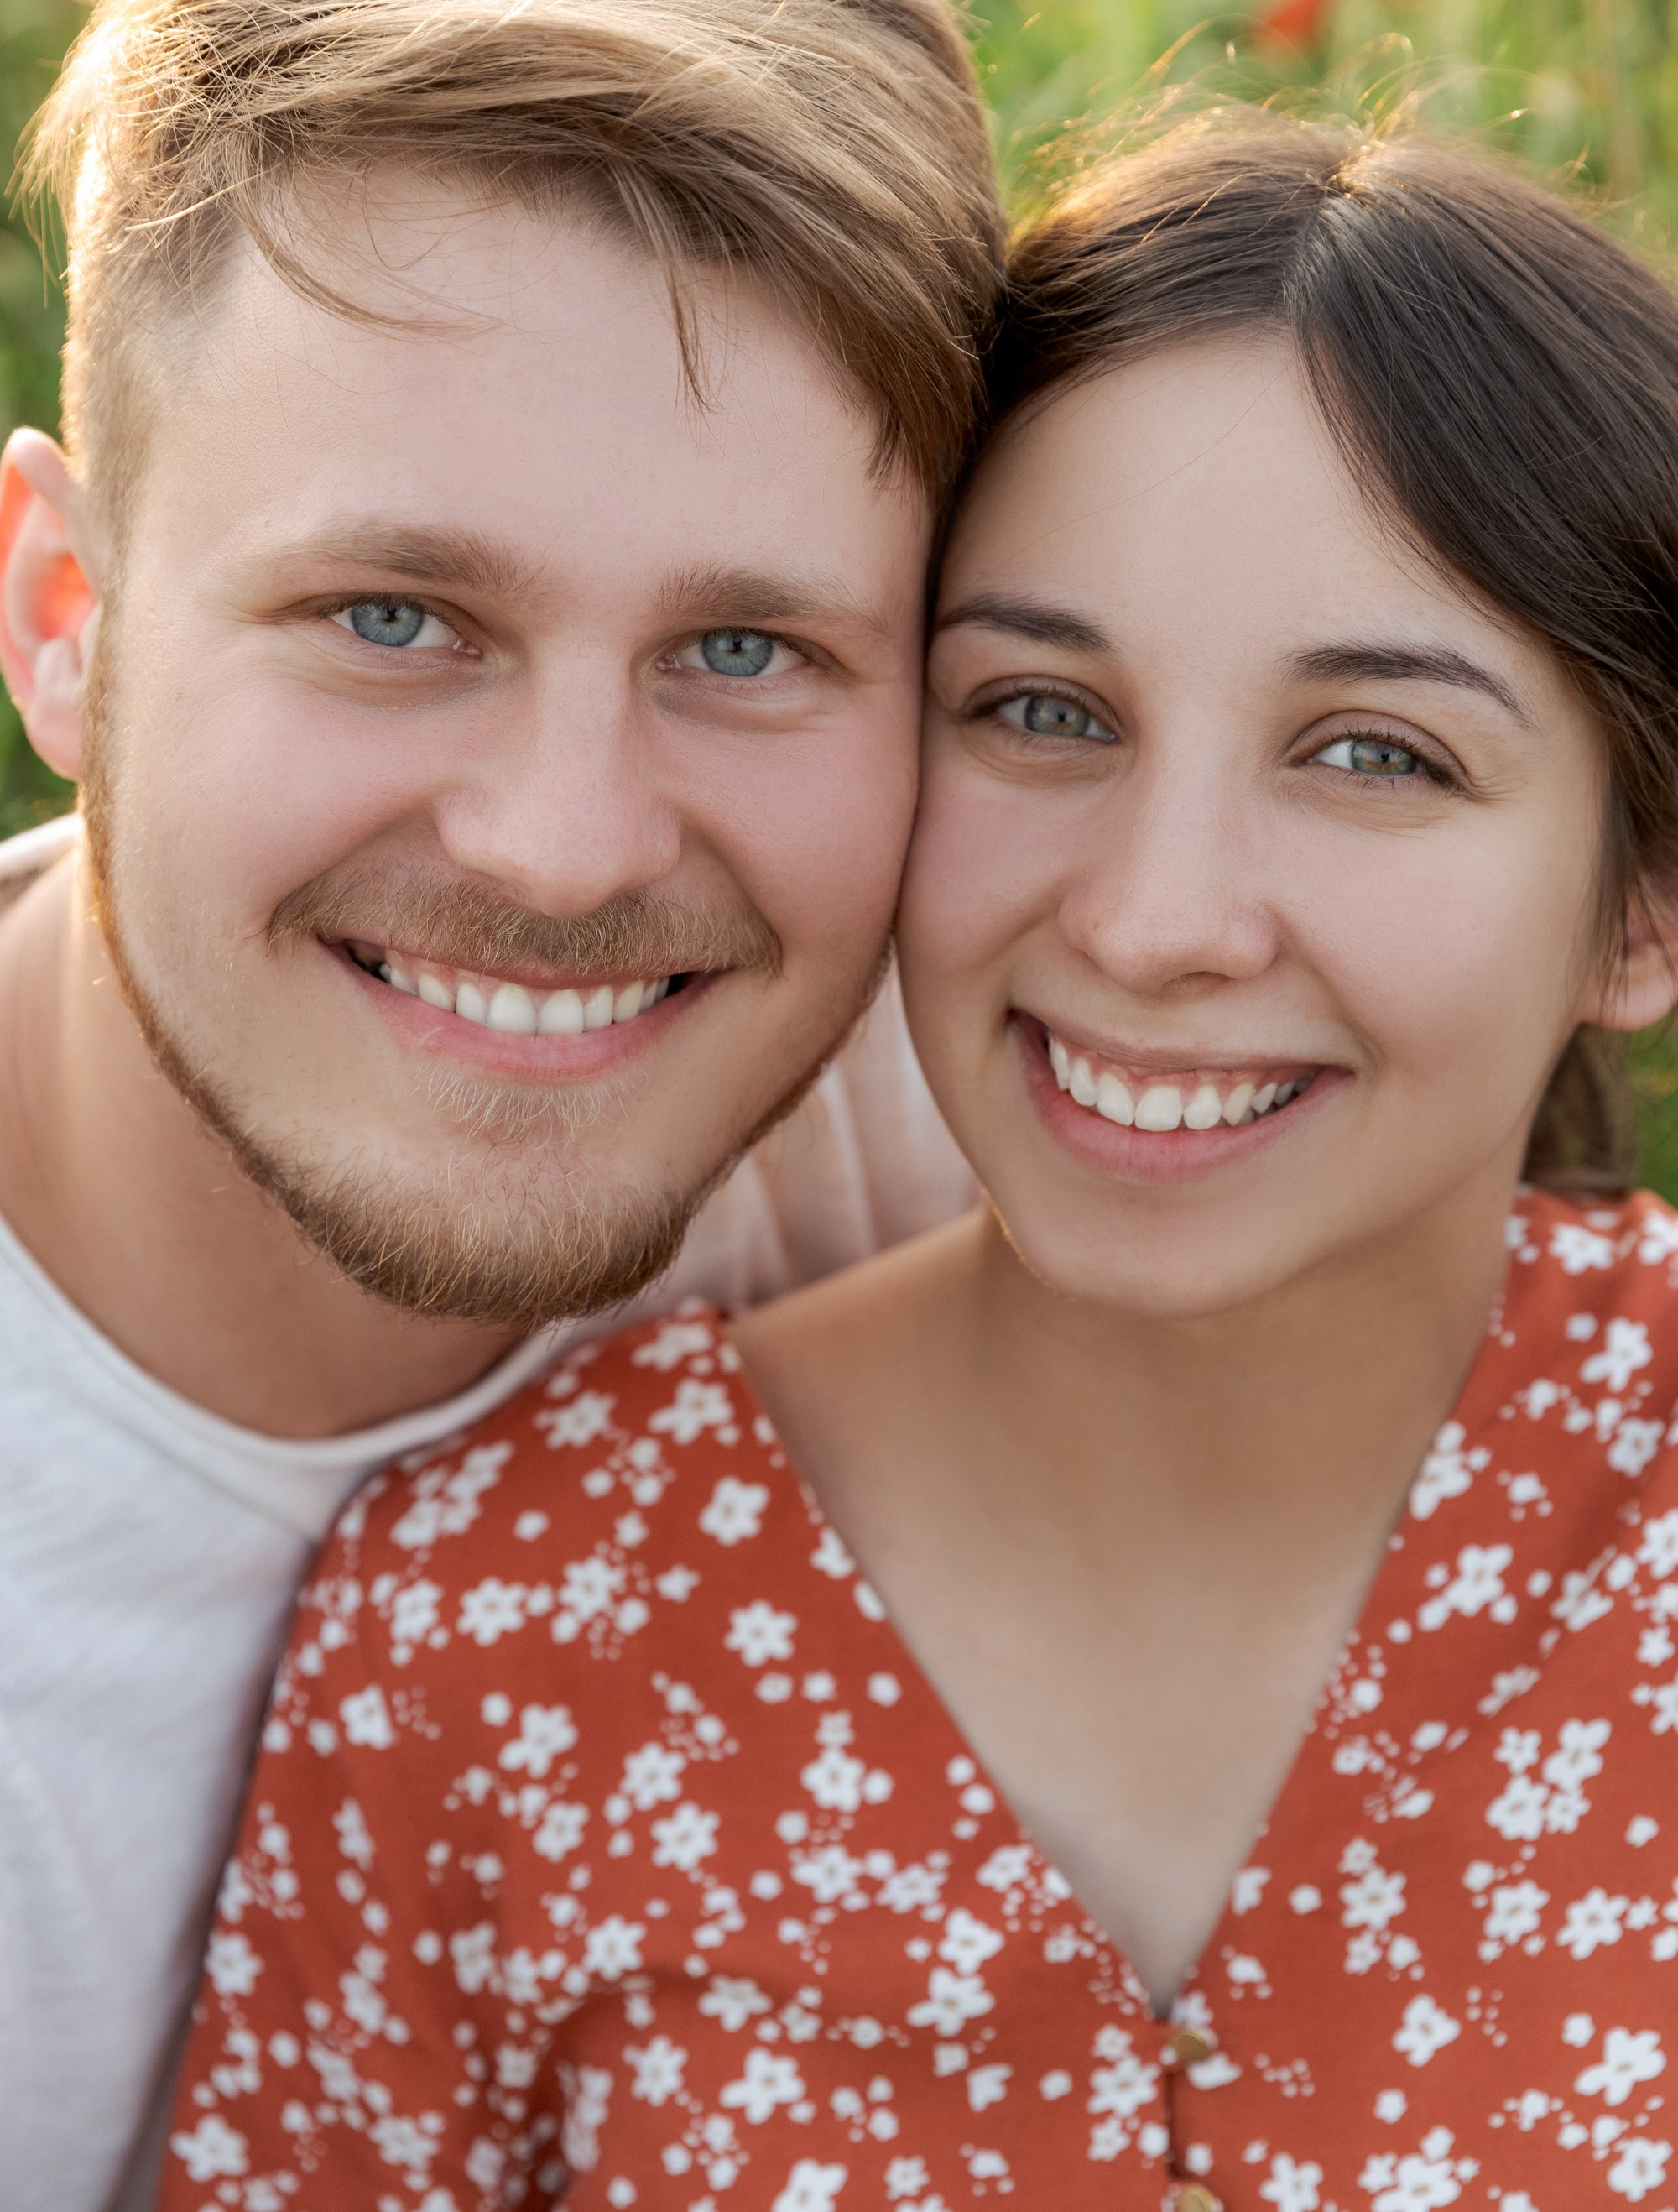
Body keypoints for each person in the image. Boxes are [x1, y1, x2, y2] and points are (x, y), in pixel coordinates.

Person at [162, 110, 1678, 2212]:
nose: (1158, 920)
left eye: (1375, 755)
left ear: (1640, 907)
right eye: (1043, 712)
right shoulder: (499, 1630)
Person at [0, 0, 1001, 2212]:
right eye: (391, 618)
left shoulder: (981, 1152)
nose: (565, 845)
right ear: (62, 611)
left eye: (751, 648)